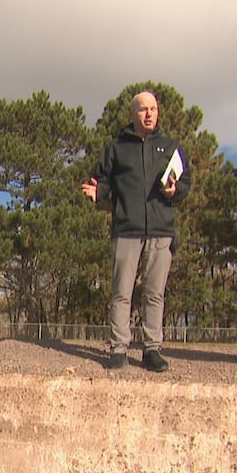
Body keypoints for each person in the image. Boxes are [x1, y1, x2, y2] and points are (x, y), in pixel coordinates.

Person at [82, 91, 192, 372]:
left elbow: (184, 184)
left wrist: (175, 190)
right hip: (126, 230)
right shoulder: (116, 147)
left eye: (153, 109)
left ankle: (152, 349)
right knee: (122, 292)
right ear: (132, 114)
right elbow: (103, 179)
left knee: (155, 293)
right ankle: (119, 348)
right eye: (143, 109)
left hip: (161, 230)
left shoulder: (171, 147)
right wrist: (98, 190)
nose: (149, 114)